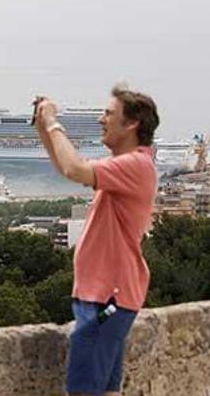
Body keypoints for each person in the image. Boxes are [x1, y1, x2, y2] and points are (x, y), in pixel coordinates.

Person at [33, 85, 159, 396]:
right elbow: (68, 168)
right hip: (108, 297)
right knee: (106, 391)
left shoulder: (135, 165)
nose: (100, 119)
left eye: (108, 113)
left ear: (132, 124)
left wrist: (54, 122)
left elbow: (75, 168)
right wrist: (43, 128)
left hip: (107, 299)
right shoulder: (128, 165)